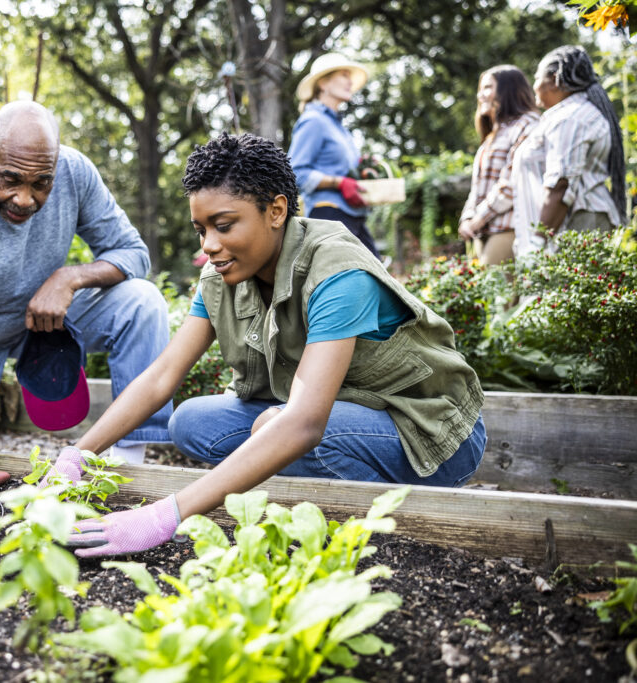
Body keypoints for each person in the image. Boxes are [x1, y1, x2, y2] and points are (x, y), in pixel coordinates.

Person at [50, 133, 486, 558]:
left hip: (428, 433)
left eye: (223, 226)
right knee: (191, 422)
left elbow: (304, 424)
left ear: (276, 210)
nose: (209, 246)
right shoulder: (222, 277)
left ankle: (384, 523)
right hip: (339, 412)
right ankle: (305, 487)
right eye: (201, 229)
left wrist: (167, 514)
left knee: (288, 432)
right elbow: (163, 376)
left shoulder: (337, 269)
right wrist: (78, 453)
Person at [0, 101, 172, 517]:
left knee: (142, 302)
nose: (25, 198)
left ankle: (130, 465)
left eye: (42, 183)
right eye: (10, 180)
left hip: (41, 320)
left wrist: (69, 277)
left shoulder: (75, 172)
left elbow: (132, 253)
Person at [512, 45, 625, 256]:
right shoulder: (573, 114)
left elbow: (560, 184)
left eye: (537, 78)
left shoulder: (570, 119)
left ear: (554, 80)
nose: (534, 86)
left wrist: (538, 242)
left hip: (577, 223)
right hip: (575, 223)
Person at [287, 52, 380, 258]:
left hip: (352, 216)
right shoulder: (313, 121)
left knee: (377, 276)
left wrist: (363, 172)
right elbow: (294, 174)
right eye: (344, 75)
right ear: (323, 84)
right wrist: (338, 183)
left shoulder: (338, 127)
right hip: (328, 215)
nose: (350, 82)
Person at [458, 66, 540, 265]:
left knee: (497, 294)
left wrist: (479, 219)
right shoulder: (492, 135)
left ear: (508, 90)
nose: (481, 95)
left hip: (509, 227)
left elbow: (511, 182)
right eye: (481, 89)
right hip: (483, 229)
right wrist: (467, 218)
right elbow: (478, 188)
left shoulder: (526, 125)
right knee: (484, 293)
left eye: (487, 88)